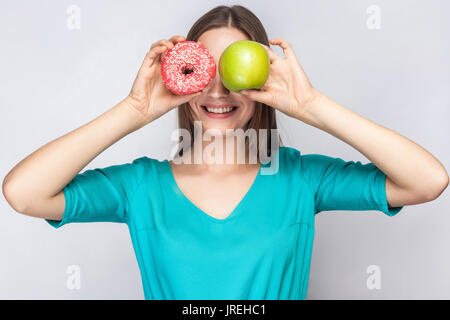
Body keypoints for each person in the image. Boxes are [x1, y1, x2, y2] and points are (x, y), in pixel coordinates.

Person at [2, 5, 448, 300]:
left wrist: (312, 105)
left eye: (233, 69)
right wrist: (134, 110)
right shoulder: (140, 186)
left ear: (260, 79)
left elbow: (428, 180)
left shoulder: (300, 179)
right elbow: (23, 193)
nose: (217, 89)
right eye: (203, 70)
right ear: (182, 76)